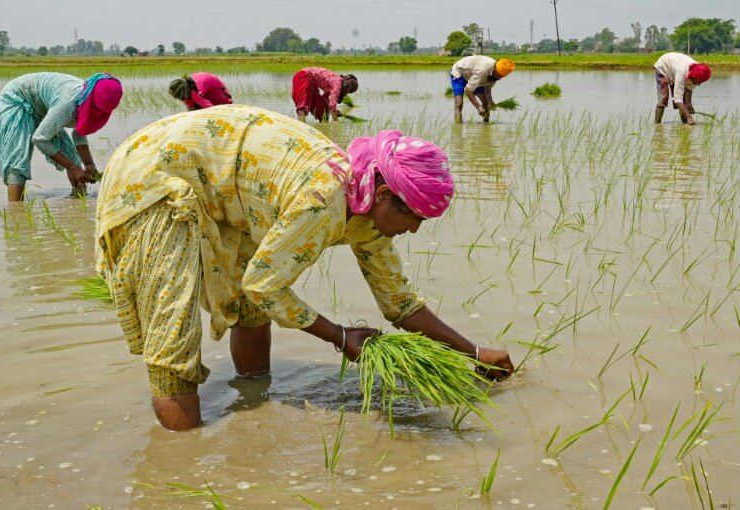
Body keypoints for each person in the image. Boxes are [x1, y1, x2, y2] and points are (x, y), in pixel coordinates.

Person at [94, 104, 514, 431]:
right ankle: (184, 467)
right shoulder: (324, 198)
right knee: (175, 341)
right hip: (154, 177)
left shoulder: (370, 216)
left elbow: (399, 303)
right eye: (414, 217)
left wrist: (474, 354)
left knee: (250, 308)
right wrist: (339, 336)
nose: (416, 230)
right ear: (385, 194)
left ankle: (253, 396)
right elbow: (266, 284)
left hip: (220, 188)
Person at [0, 72, 123, 202]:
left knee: (72, 156)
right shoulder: (68, 103)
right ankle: (16, 212)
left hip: (43, 107)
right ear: (91, 100)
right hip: (17, 99)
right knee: (18, 162)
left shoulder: (89, 98)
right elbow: (40, 139)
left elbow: (80, 131)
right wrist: (73, 168)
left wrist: (88, 163)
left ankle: (79, 202)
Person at [450, 55, 515, 124]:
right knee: (459, 103)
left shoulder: (494, 77)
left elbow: (487, 89)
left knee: (485, 102)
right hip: (460, 73)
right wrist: (478, 107)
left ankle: (486, 125)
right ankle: (458, 129)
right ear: (494, 69)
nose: (498, 78)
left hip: (474, 76)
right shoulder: (483, 70)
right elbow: (468, 90)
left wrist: (491, 101)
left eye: (501, 77)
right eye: (498, 75)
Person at [653, 52, 712, 125]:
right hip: (663, 67)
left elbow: (688, 89)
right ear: (693, 76)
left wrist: (689, 104)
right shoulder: (683, 72)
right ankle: (657, 125)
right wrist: (689, 117)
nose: (699, 84)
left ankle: (685, 124)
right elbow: (677, 99)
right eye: (699, 82)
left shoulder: (699, 72)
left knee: (683, 102)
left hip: (675, 70)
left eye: (701, 82)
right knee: (664, 97)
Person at [292, 67, 358, 122]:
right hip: (303, 76)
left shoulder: (336, 82)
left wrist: (334, 111)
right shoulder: (337, 84)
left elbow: (326, 98)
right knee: (302, 107)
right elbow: (332, 105)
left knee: (322, 110)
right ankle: (302, 128)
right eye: (348, 92)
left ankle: (323, 128)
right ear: (347, 88)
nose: (346, 93)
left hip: (311, 83)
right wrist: (336, 120)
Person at [168, 73, 233, 111]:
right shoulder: (186, 88)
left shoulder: (195, 92)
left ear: (184, 91)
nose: (182, 99)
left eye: (182, 97)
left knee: (222, 108)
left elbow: (209, 108)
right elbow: (190, 107)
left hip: (214, 87)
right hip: (204, 83)